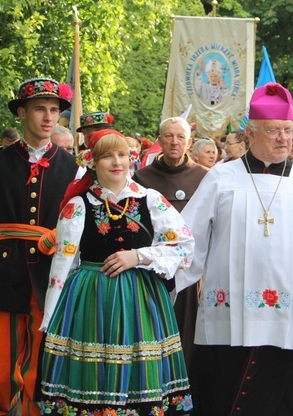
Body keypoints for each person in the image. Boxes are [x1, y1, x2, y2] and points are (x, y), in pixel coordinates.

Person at [177, 83, 293, 415]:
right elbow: (186, 236)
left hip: (292, 315)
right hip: (230, 314)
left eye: (287, 131)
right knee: (226, 395)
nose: (284, 138)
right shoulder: (221, 177)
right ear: (250, 133)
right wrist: (159, 275)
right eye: (273, 131)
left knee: (287, 400)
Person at [38, 129, 194, 414]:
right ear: (92, 162)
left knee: (138, 368)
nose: (116, 162)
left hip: (141, 299)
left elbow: (183, 245)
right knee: (91, 372)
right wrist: (51, 315)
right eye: (107, 156)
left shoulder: (151, 200)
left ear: (131, 159)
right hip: (92, 297)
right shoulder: (78, 205)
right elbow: (63, 264)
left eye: (122, 154)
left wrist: (139, 256)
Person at [0, 77, 79, 416]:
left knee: (43, 370)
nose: (49, 117)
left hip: (52, 278)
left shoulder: (73, 168)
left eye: (54, 110)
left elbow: (77, 228)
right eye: (40, 110)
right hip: (3, 275)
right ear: (22, 113)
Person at [132, 117, 209, 376]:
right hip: (152, 269)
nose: (174, 142)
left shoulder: (204, 177)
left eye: (180, 137)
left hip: (191, 270)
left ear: (189, 142)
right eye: (168, 136)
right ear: (160, 140)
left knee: (188, 329)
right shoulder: (142, 177)